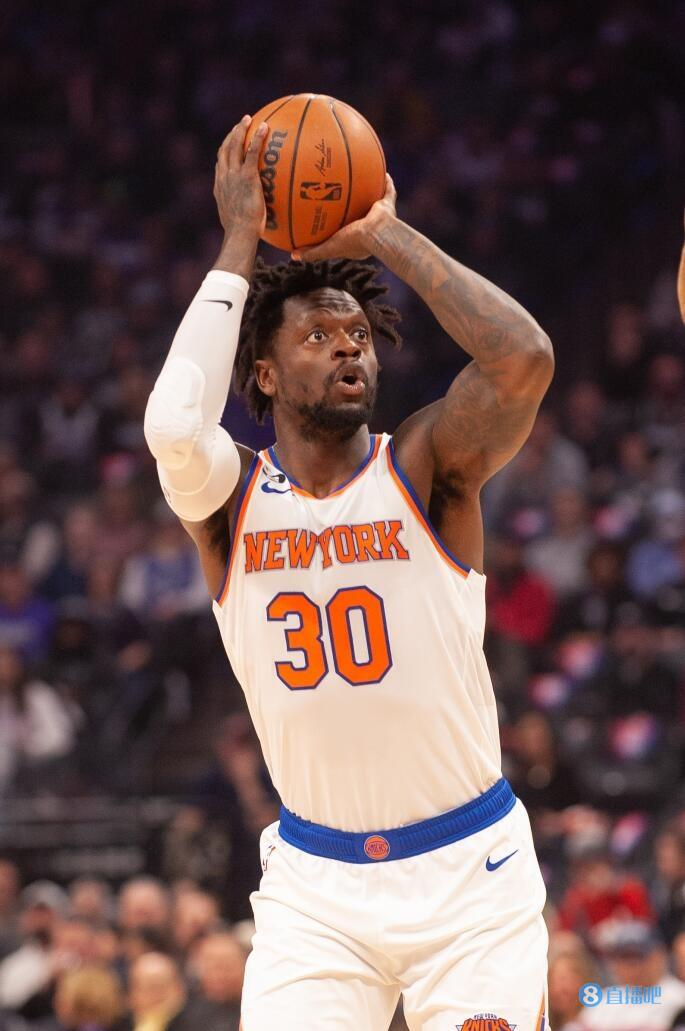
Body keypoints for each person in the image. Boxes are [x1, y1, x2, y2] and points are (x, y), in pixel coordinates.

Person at [144, 114, 555, 1030]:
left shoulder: (425, 467)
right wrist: (239, 240)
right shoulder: (229, 500)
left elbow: (522, 359)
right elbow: (173, 425)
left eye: (359, 334)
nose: (347, 346)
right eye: (319, 335)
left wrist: (384, 235)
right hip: (316, 891)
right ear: (261, 372)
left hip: (469, 878)